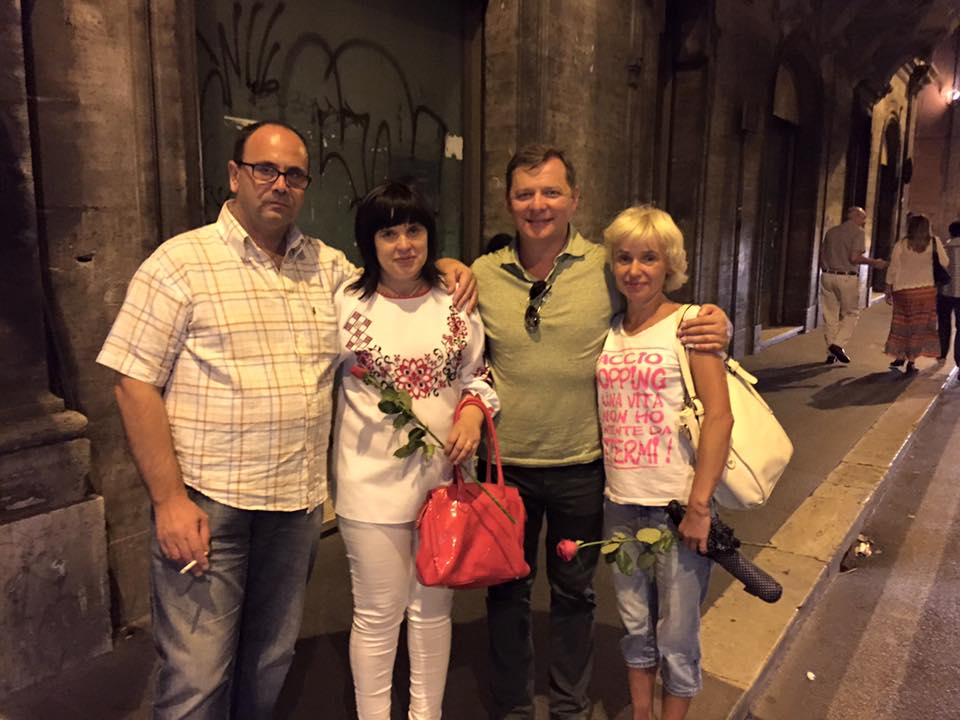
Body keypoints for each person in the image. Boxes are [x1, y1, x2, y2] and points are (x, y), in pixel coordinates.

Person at [96, 121, 475, 719]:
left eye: (294, 174)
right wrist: (168, 500)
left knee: (269, 661)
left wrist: (447, 266)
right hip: (209, 502)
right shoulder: (180, 262)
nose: (280, 184)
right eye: (265, 170)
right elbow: (132, 381)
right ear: (235, 175)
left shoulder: (326, 269)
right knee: (197, 674)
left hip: (295, 506)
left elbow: (393, 274)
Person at [470, 144, 730, 720]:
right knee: (506, 592)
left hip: (584, 467)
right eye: (524, 194)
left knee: (574, 595)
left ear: (574, 198)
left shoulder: (604, 265)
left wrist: (716, 319)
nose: (538, 205)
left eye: (551, 191)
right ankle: (513, 707)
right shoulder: (482, 274)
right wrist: (446, 267)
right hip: (505, 466)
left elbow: (658, 300)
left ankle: (569, 707)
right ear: (508, 201)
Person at [331, 181, 498, 719]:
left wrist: (472, 411)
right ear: (369, 241)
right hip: (368, 486)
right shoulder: (344, 303)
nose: (404, 244)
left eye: (414, 230)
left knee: (432, 613)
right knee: (377, 616)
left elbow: (478, 374)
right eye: (388, 233)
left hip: (443, 485)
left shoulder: (456, 301)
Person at [598, 205, 733, 720]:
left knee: (677, 637)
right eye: (624, 258)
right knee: (635, 629)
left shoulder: (690, 325)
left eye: (649, 258)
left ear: (669, 263)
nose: (635, 270)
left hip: (677, 509)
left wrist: (699, 507)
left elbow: (718, 418)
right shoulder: (611, 330)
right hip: (620, 505)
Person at [818, 206, 888, 364]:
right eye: (863, 217)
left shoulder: (831, 232)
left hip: (827, 275)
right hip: (846, 277)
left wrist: (826, 268)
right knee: (851, 313)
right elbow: (854, 258)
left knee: (830, 315)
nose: (864, 221)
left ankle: (831, 353)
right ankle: (837, 345)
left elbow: (822, 254)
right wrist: (874, 262)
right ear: (855, 217)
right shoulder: (858, 232)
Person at [884, 212, 950, 373]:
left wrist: (888, 287)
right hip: (925, 291)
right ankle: (911, 361)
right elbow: (945, 262)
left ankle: (900, 355)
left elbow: (893, 267)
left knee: (902, 324)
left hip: (903, 291)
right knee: (919, 327)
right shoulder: (934, 242)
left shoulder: (902, 244)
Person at [936, 220, 960, 365]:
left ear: (951, 233)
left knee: (944, 324)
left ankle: (942, 354)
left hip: (944, 292)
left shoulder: (944, 249)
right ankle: (959, 360)